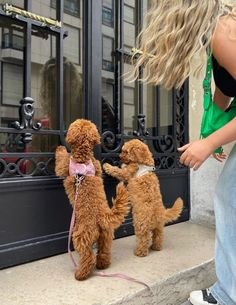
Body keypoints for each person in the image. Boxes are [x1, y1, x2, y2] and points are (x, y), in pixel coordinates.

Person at [130, 1, 236, 305]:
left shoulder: (224, 33)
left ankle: (227, 296)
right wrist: (211, 131)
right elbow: (227, 86)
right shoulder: (218, 34)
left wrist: (209, 143)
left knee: (230, 197)